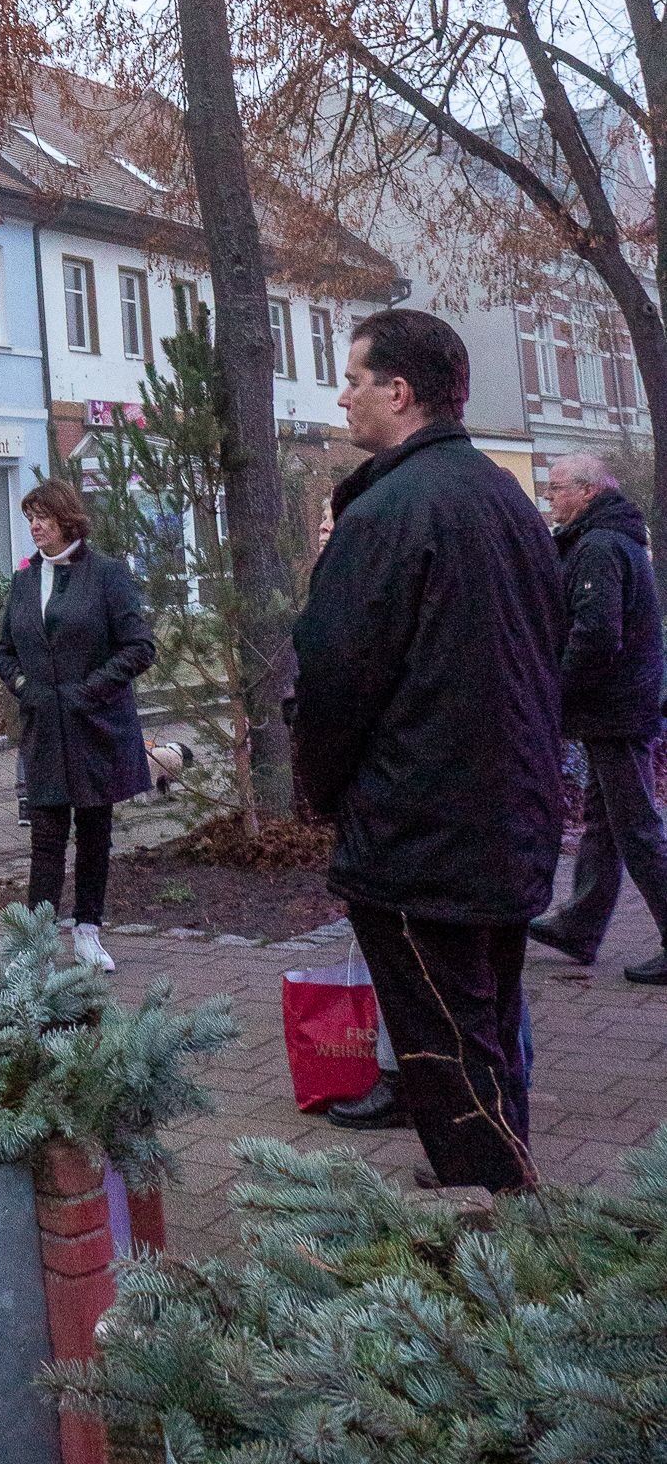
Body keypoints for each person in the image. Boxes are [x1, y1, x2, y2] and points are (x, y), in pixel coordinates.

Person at [293, 308, 566, 1193]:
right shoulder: (505, 499)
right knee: (483, 1030)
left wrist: (328, 797)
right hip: (509, 819)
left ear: (398, 392)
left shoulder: (388, 512)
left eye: (354, 379)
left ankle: (494, 1235)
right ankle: (501, 1188)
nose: (343, 397)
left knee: (446, 1053)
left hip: (423, 837)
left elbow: (333, 680)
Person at [0, 478, 156, 971]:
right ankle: (36, 940)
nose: (35, 527)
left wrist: (89, 691)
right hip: (45, 727)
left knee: (92, 832)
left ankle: (88, 931)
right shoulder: (24, 580)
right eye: (29, 519)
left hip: (95, 727)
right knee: (45, 836)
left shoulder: (106, 574)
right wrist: (25, 687)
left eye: (42, 517)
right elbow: (4, 651)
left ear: (68, 519)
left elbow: (139, 647)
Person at [528, 454, 667, 984]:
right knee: (606, 823)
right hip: (619, 707)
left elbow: (595, 636)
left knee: (637, 828)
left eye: (557, 488)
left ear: (586, 492)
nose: (551, 498)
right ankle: (579, 926)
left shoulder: (600, 547)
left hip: (616, 711)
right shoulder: (613, 540)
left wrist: (553, 693)